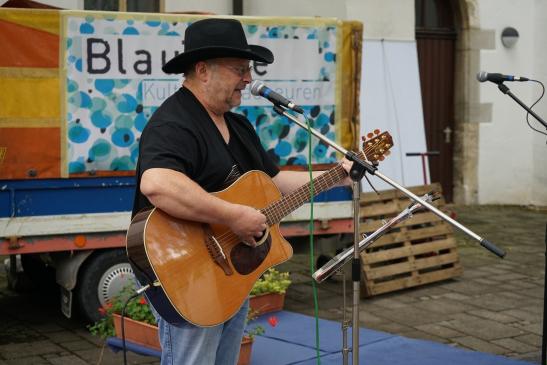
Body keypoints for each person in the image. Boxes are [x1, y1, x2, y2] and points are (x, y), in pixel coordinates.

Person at [132, 18, 351, 365]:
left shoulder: (238, 124)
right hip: (186, 271)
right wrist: (233, 216)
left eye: (248, 69)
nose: (249, 79)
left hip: (231, 274)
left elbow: (275, 182)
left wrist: (339, 175)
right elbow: (157, 184)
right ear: (203, 70)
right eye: (239, 69)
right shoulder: (174, 122)